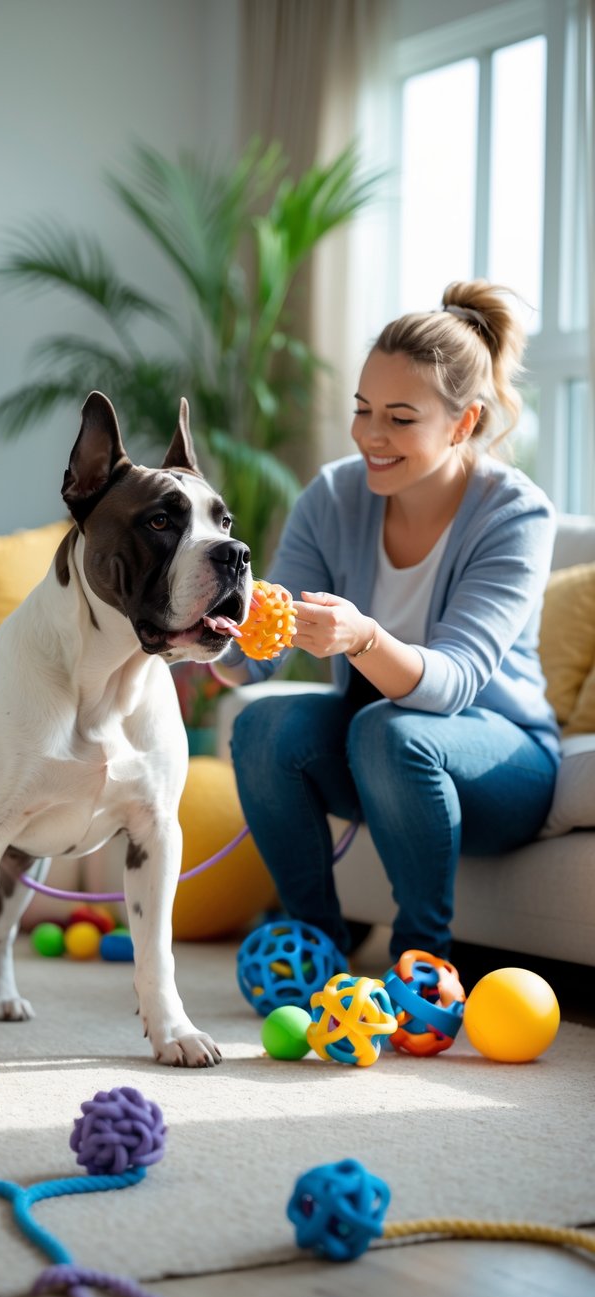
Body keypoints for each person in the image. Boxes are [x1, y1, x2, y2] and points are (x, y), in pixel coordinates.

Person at [215, 279, 560, 963]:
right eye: (362, 409)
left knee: (387, 727)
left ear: (463, 424)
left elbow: (454, 682)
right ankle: (315, 948)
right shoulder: (335, 496)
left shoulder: (515, 514)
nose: (371, 435)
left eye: (400, 419)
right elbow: (254, 658)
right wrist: (207, 632)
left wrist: (364, 636)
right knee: (261, 725)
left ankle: (421, 960)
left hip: (503, 763)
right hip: (377, 753)